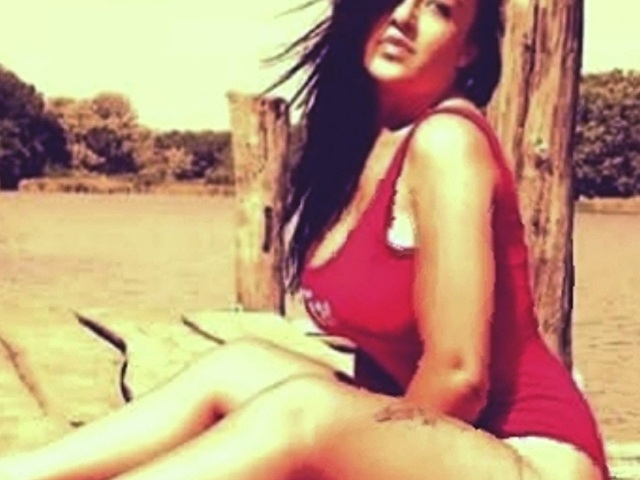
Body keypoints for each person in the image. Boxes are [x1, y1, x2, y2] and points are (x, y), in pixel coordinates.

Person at [0, 0, 610, 478]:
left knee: (302, 410)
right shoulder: (360, 148)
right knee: (241, 365)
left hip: (529, 458)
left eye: (440, 8)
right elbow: (382, 363)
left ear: (468, 49)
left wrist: (348, 447)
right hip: (441, 444)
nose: (404, 15)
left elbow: (458, 375)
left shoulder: (448, 142)